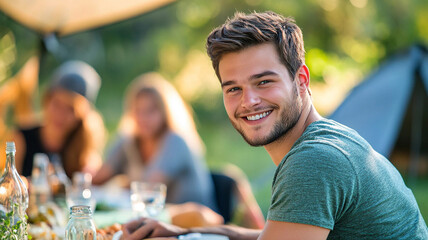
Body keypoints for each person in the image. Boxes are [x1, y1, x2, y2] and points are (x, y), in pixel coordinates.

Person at [121, 11, 428, 240]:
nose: (249, 101)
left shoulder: (314, 160)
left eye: (264, 81)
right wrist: (182, 234)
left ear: (302, 80)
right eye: (233, 88)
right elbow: (274, 234)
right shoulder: (326, 141)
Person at [93, 73, 216, 210]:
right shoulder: (128, 141)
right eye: (138, 110)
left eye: (151, 111)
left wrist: (124, 186)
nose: (143, 118)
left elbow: (149, 189)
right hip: (157, 221)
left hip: (193, 223)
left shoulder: (176, 141)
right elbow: (99, 177)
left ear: (165, 111)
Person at [13, 60, 105, 178]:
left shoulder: (83, 144)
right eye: (57, 104)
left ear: (82, 115)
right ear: (46, 101)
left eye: (70, 109)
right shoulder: (21, 137)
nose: (61, 114)